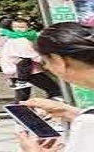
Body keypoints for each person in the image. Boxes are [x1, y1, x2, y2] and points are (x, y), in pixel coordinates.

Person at [15, 22, 94, 152]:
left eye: (46, 61)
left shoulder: (88, 124)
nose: (46, 67)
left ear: (59, 61)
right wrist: (70, 112)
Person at [0, 17, 63, 103]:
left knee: (22, 96)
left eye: (21, 27)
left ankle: (18, 112)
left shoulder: (4, 37)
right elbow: (32, 55)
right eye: (16, 27)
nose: (18, 30)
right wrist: (49, 63)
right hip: (30, 72)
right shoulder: (20, 40)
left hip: (13, 71)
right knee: (55, 90)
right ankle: (54, 110)